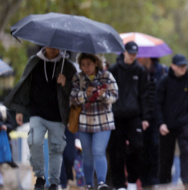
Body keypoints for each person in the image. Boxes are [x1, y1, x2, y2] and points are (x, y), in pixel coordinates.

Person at [5, 47, 77, 190]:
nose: (53, 48)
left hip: (58, 115)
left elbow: (75, 92)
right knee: (35, 142)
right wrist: (20, 108)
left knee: (56, 149)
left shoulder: (67, 65)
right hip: (37, 112)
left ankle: (54, 182)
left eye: (56, 46)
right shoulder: (35, 61)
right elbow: (25, 85)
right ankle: (39, 177)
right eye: (50, 45)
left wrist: (65, 84)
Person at [70, 53, 118, 190]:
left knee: (98, 150)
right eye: (83, 65)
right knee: (87, 154)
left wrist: (103, 95)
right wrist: (86, 94)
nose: (86, 68)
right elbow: (72, 98)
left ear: (96, 63)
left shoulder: (107, 76)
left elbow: (115, 96)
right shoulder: (77, 78)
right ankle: (89, 184)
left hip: (103, 121)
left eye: (89, 64)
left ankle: (102, 183)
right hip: (84, 122)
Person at [108, 41, 149, 190]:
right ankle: (119, 184)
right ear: (124, 52)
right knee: (116, 151)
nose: (132, 56)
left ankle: (132, 180)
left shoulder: (140, 71)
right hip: (116, 116)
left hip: (134, 116)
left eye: (134, 54)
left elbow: (145, 95)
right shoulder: (113, 69)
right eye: (130, 53)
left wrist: (145, 118)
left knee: (137, 148)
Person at [156, 54, 188, 189]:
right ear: (173, 66)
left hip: (184, 124)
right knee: (165, 156)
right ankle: (164, 182)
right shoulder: (164, 81)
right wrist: (161, 123)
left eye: (184, 65)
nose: (182, 68)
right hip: (166, 125)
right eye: (180, 66)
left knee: (186, 152)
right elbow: (158, 104)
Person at [137, 57, 168, 189]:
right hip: (141, 115)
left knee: (156, 147)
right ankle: (144, 180)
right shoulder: (138, 71)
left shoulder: (161, 71)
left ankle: (154, 179)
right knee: (142, 148)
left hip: (157, 117)